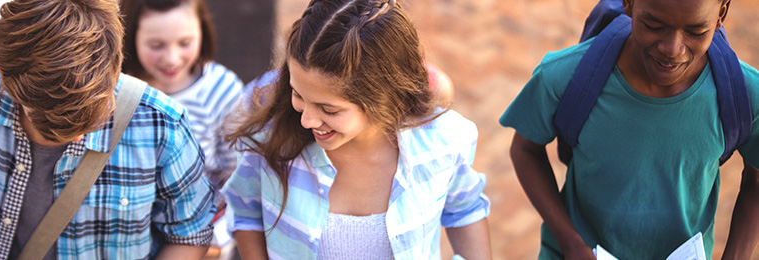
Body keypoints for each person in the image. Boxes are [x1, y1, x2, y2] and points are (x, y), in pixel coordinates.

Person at [0, 0, 215, 259]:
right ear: (1, 72)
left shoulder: (162, 125)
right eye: (49, 123)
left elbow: (189, 234)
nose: (78, 137)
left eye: (90, 118)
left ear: (115, 67)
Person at [220, 0, 492, 259]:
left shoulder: (445, 141)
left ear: (382, 96)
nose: (307, 120)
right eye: (298, 94)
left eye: (329, 110)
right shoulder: (269, 137)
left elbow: (465, 210)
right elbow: (247, 212)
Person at [500, 0, 759, 258]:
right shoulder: (564, 76)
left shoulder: (745, 95)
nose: (672, 49)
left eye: (695, 31)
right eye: (654, 25)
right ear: (629, 3)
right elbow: (525, 150)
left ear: (721, 13)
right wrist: (571, 243)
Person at [120, 0, 243, 189]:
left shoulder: (221, 88)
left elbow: (235, 172)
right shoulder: (116, 89)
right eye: (156, 45)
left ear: (202, 30)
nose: (171, 58)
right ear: (130, 35)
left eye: (185, 43)